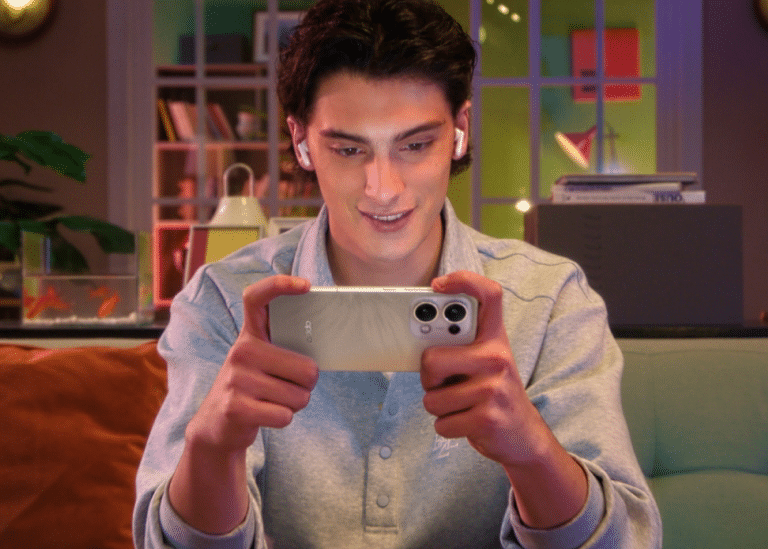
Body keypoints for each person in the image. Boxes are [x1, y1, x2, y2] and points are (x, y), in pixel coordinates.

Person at [134, 1, 662, 547]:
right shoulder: (222, 302)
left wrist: (531, 450)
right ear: (301, 141)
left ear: (459, 130)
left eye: (414, 145)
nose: (383, 188)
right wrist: (213, 447)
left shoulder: (550, 301)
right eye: (348, 149)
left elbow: (625, 541)